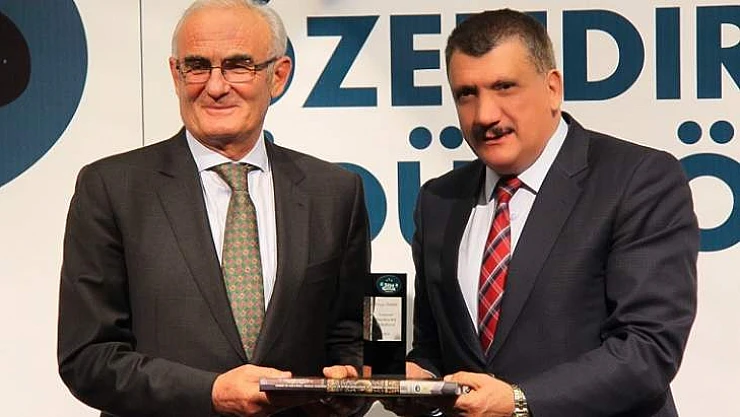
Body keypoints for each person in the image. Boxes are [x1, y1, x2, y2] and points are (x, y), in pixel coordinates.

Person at [57, 1, 371, 416]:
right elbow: (88, 357)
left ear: (278, 76)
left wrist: (348, 379)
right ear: (176, 74)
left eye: (239, 66)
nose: (216, 86)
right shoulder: (112, 188)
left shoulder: (335, 193)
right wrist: (210, 392)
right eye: (197, 66)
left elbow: (348, 337)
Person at [394, 9, 699, 417]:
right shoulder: (438, 201)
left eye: (504, 87)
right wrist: (403, 381)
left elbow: (648, 349)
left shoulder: (637, 180)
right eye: (466, 94)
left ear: (553, 88)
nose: (485, 115)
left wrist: (520, 401)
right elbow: (436, 350)